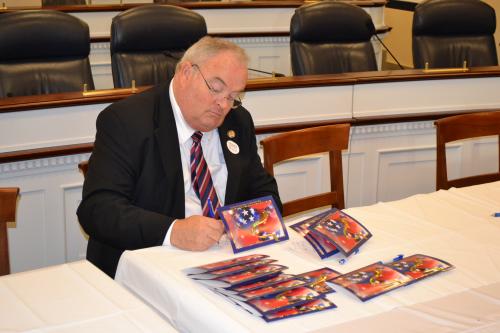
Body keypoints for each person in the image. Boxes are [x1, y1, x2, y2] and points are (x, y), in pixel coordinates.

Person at [77, 36, 282, 278]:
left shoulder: (238, 121)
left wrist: (235, 227)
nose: (223, 105)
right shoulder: (126, 122)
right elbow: (98, 210)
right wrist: (173, 231)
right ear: (186, 72)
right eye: (216, 89)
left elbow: (266, 195)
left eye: (233, 96)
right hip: (149, 265)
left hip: (222, 263)